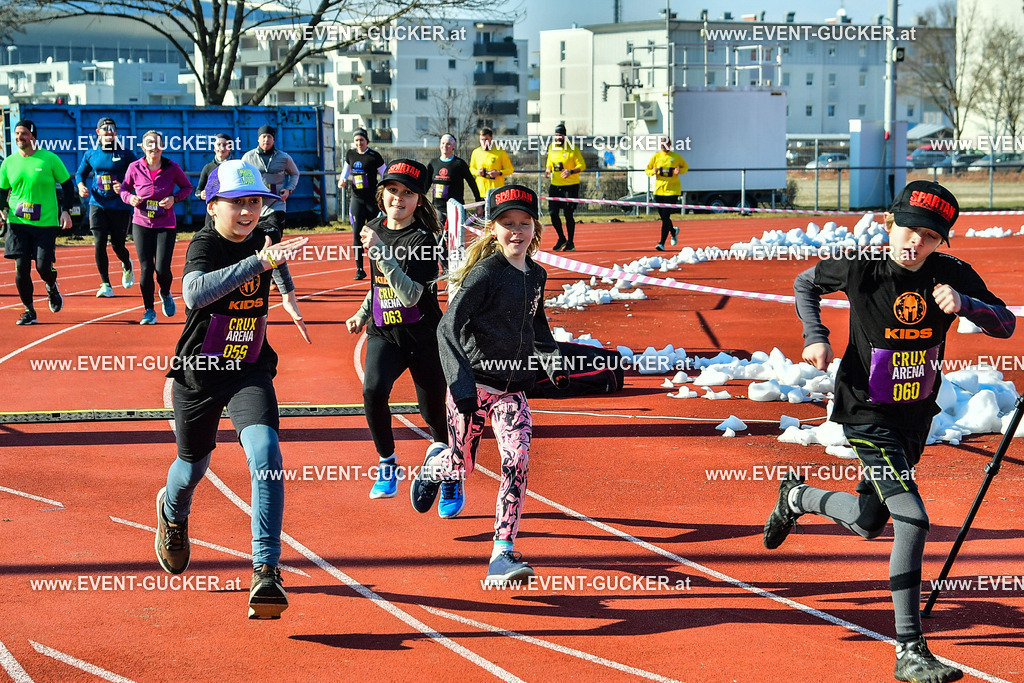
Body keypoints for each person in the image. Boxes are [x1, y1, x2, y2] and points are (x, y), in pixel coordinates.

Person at [764, 180, 1015, 683]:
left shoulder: (952, 275)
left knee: (868, 520)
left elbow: (1004, 324)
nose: (914, 242)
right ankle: (910, 650)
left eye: (928, 236)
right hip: (865, 414)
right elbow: (804, 283)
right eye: (907, 229)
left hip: (912, 418)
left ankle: (796, 498)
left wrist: (966, 305)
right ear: (888, 223)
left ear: (941, 241)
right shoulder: (862, 268)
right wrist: (816, 336)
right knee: (913, 520)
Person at [154, 159, 310, 621]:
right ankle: (172, 512)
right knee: (192, 465)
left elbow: (274, 266)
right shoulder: (203, 244)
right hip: (199, 371)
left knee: (266, 452)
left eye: (256, 202)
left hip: (249, 368)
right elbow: (194, 294)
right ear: (213, 204)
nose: (248, 211)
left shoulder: (264, 242)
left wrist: (288, 296)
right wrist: (259, 262)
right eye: (238, 202)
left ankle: (266, 567)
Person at [410, 185, 569, 586]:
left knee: (517, 464)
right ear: (492, 230)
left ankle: (502, 553)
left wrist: (551, 362)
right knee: (461, 467)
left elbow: (536, 323)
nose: (516, 231)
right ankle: (434, 468)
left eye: (524, 223)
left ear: (536, 227)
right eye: (507, 224)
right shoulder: (486, 273)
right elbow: (448, 327)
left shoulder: (537, 274)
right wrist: (461, 386)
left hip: (512, 392)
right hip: (473, 388)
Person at [344, 159, 449, 501]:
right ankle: (387, 463)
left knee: (433, 413)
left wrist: (380, 252)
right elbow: (378, 284)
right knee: (372, 391)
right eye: (392, 190)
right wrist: (361, 313)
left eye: (408, 193)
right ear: (381, 193)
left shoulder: (423, 240)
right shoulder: (374, 226)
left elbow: (410, 296)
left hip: (422, 335)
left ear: (419, 199)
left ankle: (449, 472)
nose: (398, 198)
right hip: (384, 332)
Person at [0, 120, 75, 325]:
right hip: (18, 223)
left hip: (45, 223)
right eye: (16, 134)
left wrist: (66, 211)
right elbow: (2, 191)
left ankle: (51, 285)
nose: (19, 137)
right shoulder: (9, 162)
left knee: (43, 267)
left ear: (33, 136)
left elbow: (68, 186)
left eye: (23, 133)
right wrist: (2, 210)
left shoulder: (49, 159)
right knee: (21, 267)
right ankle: (29, 310)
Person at [119, 130, 193, 325]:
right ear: (143, 147)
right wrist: (130, 198)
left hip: (165, 223)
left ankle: (166, 292)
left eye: (157, 143)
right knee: (146, 268)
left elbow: (187, 187)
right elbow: (124, 189)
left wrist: (174, 199)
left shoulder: (172, 167)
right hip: (141, 223)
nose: (154, 146)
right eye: (149, 143)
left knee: (162, 269)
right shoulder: (134, 167)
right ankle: (149, 310)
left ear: (162, 146)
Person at [76, 117, 137, 298]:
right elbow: (81, 173)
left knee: (118, 244)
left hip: (119, 206)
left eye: (112, 129)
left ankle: (126, 264)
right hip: (97, 204)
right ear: (98, 132)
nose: (109, 132)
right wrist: (80, 186)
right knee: (99, 242)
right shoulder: (91, 154)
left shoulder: (126, 154)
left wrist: (125, 187)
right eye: (105, 129)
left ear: (116, 133)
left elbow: (137, 174)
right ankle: (105, 284)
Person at [337, 128, 386, 280]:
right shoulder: (351, 154)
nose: (359, 143)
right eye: (357, 140)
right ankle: (359, 269)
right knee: (357, 234)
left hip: (372, 200)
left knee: (374, 234)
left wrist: (384, 190)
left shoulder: (374, 156)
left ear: (367, 141)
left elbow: (385, 173)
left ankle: (376, 266)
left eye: (362, 140)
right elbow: (346, 170)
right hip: (357, 199)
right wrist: (342, 179)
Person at [241, 125, 300, 248]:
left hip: (276, 203)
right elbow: (242, 178)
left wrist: (289, 189)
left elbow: (295, 173)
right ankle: (263, 265)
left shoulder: (284, 157)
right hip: (255, 205)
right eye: (263, 136)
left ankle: (275, 264)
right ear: (258, 139)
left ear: (273, 140)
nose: (266, 140)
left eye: (269, 137)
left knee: (274, 236)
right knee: (255, 240)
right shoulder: (248, 157)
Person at [544, 122, 585, 252]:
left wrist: (570, 171)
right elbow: (549, 162)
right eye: (556, 135)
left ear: (565, 136)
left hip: (570, 186)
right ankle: (561, 238)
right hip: (555, 185)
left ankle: (571, 242)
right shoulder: (551, 147)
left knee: (568, 214)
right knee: (553, 213)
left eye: (560, 135)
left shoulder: (572, 148)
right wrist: (547, 170)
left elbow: (582, 165)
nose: (558, 138)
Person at [427, 133, 481, 230]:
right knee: (438, 236)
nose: (445, 146)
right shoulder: (433, 163)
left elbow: (472, 183)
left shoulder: (459, 164)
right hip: (438, 208)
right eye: (442, 143)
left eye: (448, 144)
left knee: (455, 238)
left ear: (453, 146)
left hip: (455, 208)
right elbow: (426, 185)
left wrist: (478, 202)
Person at [644, 136, 688, 252]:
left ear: (670, 144)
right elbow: (647, 170)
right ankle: (673, 231)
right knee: (663, 216)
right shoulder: (656, 157)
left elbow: (685, 167)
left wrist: (679, 171)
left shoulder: (676, 157)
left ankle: (662, 243)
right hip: (659, 190)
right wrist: (652, 172)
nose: (663, 146)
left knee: (665, 217)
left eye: (665, 144)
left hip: (672, 190)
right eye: (661, 144)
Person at [469, 127, 514, 201]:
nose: (484, 142)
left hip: (496, 191)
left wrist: (499, 173)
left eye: (486, 140)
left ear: (491, 139)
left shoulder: (500, 152)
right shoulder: (476, 152)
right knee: (481, 212)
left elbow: (510, 169)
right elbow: (471, 169)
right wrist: (478, 172)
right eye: (482, 140)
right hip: (481, 191)